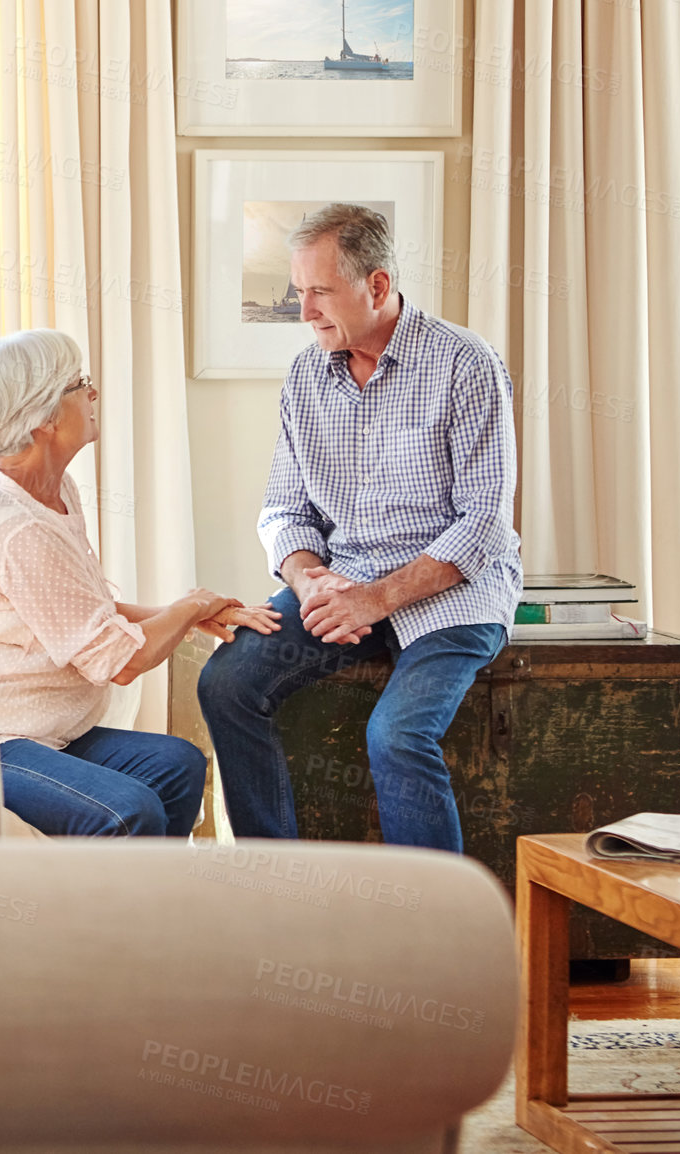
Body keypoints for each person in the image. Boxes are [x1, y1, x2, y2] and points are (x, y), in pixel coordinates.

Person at [196, 203, 521, 852]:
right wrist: (308, 578)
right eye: (298, 292)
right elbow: (285, 509)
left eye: (319, 291)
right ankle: (275, 884)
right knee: (226, 683)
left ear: (376, 285)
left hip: (453, 595)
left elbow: (483, 522)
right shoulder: (304, 375)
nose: (304, 309)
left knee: (397, 734)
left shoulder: (465, 362)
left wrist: (375, 598)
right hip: (340, 587)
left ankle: (430, 935)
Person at [0, 329, 280, 837]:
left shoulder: (54, 492)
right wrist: (189, 606)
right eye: (79, 384)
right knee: (127, 811)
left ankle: (149, 910)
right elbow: (121, 661)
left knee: (177, 765)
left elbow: (90, 612)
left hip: (44, 730)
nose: (92, 394)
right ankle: (113, 914)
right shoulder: (18, 531)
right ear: (44, 416)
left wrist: (191, 615)